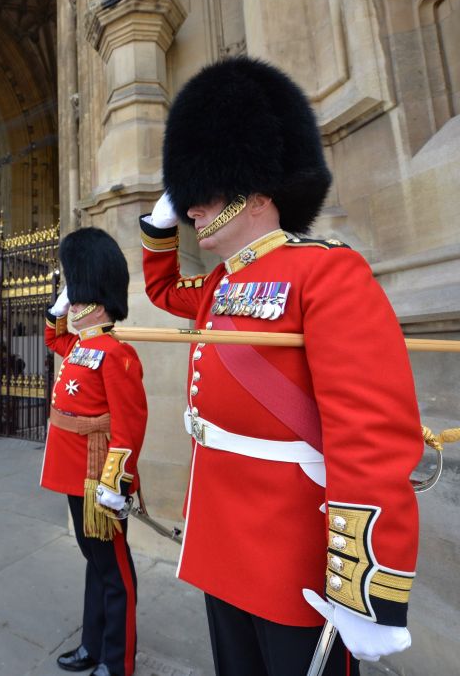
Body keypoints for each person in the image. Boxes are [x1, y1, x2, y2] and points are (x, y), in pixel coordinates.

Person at [140, 56, 422, 675]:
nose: (192, 209)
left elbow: (370, 434)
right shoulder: (217, 284)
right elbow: (163, 291)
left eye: (202, 192)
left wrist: (366, 588)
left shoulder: (326, 270)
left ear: (253, 189)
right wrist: (158, 226)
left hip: (290, 551)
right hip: (221, 537)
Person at [43, 227, 148, 676]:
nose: (75, 309)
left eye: (81, 300)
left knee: (115, 572)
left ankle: (117, 659)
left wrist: (115, 482)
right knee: (95, 565)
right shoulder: (83, 347)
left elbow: (129, 426)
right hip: (74, 475)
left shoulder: (115, 353)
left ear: (100, 302)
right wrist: (59, 305)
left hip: (98, 480)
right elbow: (53, 338)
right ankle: (92, 644)